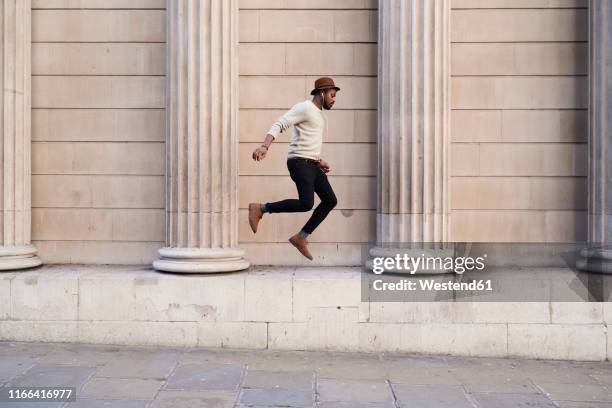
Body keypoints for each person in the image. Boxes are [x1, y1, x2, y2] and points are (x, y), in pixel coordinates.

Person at [248, 77, 340, 260]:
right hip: (299, 163)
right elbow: (280, 123)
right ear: (321, 93)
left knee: (330, 200)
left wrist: (319, 159)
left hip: (312, 164)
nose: (334, 99)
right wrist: (265, 146)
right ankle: (261, 208)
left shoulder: (319, 115)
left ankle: (301, 237)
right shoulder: (305, 107)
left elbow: (307, 140)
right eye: (331, 95)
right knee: (306, 203)